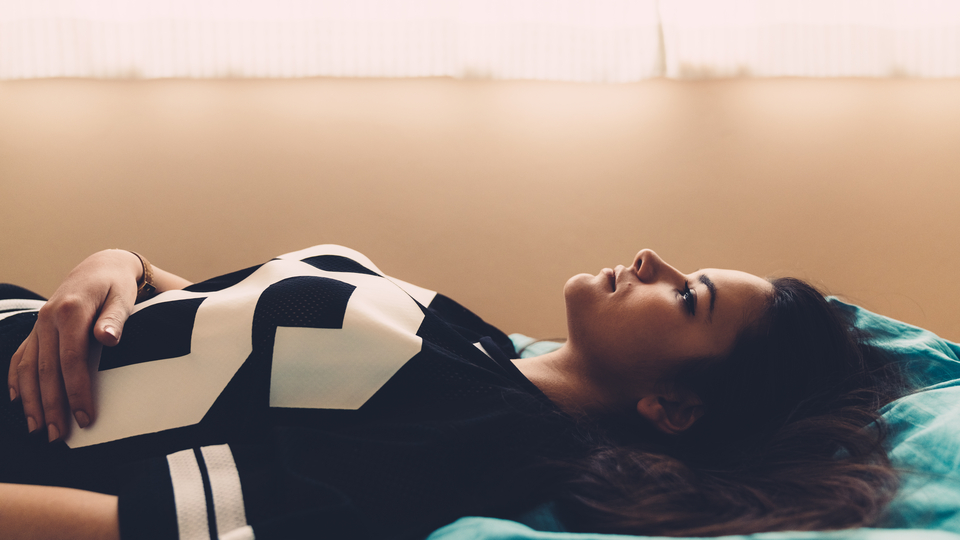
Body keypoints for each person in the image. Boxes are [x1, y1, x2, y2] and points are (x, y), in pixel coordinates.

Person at [0, 246, 904, 540]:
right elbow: (201, 311)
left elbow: (152, 523)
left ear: (674, 407)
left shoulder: (477, 442)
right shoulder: (474, 339)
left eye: (688, 297)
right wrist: (109, 264)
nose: (651, 260)